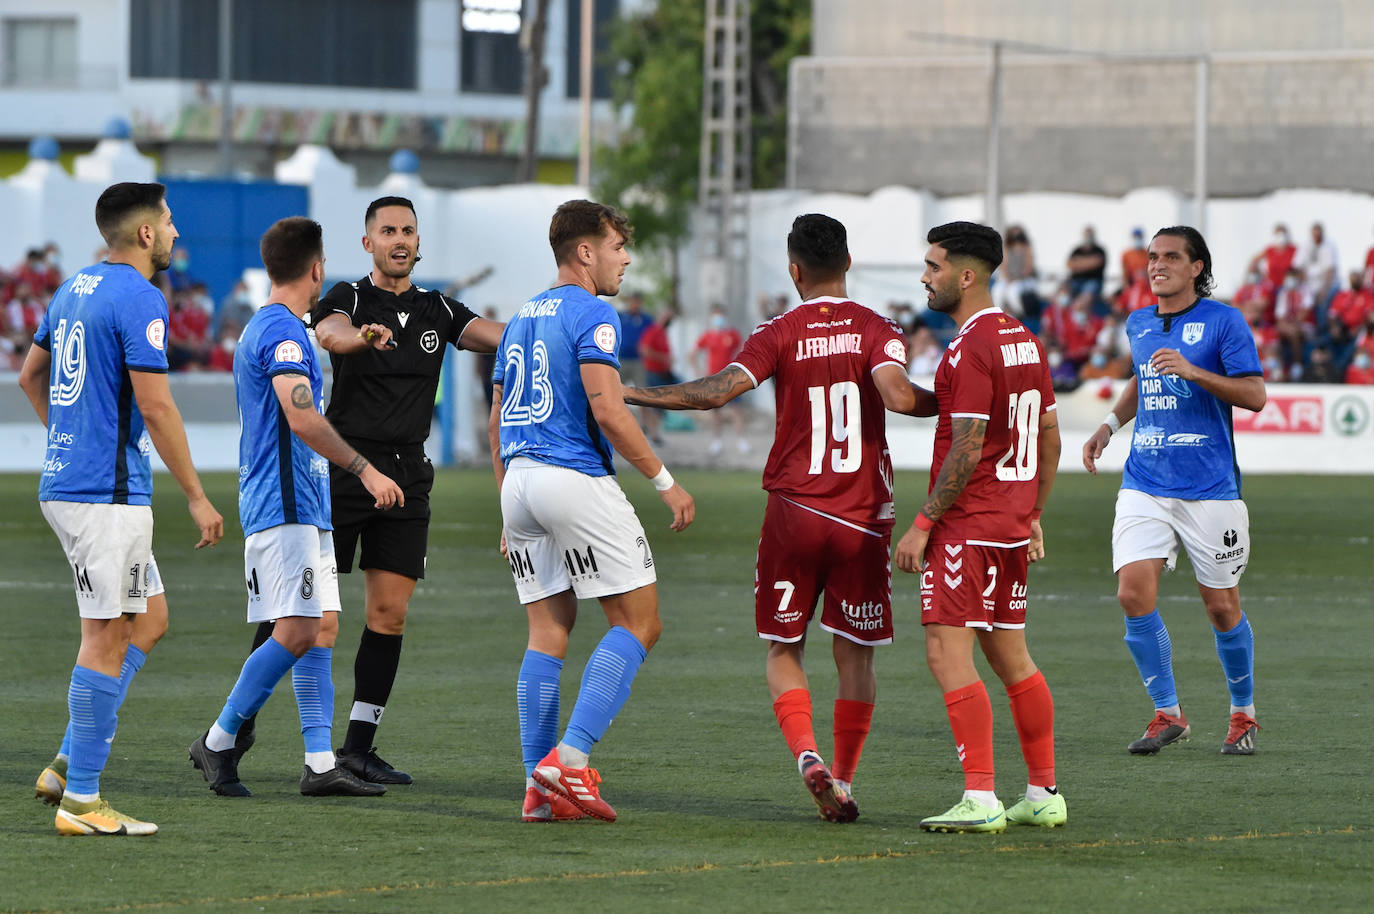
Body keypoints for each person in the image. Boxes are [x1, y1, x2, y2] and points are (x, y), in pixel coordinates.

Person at [626, 213, 935, 822]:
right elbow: (901, 398)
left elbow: (716, 392)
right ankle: (842, 779)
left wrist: (633, 393)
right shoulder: (878, 327)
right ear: (847, 264)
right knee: (856, 654)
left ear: (794, 271)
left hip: (794, 510)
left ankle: (807, 756)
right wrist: (958, 401)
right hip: (863, 516)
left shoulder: (779, 331)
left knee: (783, 645)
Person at [234, 196, 503, 785]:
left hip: (409, 475)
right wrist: (362, 338)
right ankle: (236, 725)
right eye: (388, 230)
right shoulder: (347, 300)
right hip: (346, 468)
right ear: (368, 243)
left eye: (408, 230)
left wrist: (548, 330)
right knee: (296, 607)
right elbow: (328, 334)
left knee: (389, 614)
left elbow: (496, 336)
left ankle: (357, 747)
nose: (399, 239)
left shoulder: (438, 309)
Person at [17, 181, 225, 835]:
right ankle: (81, 801)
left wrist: (66, 441)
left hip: (71, 484)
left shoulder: (72, 287)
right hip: (104, 496)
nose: (174, 233)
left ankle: (68, 763)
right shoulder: (140, 297)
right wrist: (197, 496)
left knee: (151, 619)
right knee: (105, 639)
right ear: (144, 233)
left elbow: (30, 374)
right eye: (168, 222)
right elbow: (158, 406)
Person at [491, 199, 694, 823]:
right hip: (571, 477)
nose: (624, 258)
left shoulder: (522, 314)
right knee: (639, 623)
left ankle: (535, 788)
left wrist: (506, 506)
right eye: (616, 246)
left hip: (518, 482)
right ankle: (569, 761)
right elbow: (608, 409)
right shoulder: (591, 311)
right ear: (585, 252)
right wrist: (665, 481)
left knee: (548, 632)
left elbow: (497, 417)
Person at [188, 217, 404, 798]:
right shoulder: (282, 334)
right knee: (301, 626)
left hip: (304, 501)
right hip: (282, 500)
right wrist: (365, 469)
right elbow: (301, 415)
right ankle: (217, 739)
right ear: (316, 268)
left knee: (322, 627)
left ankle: (317, 761)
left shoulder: (282, 328)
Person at [893, 221, 1064, 834]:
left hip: (968, 523)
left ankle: (981, 797)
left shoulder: (969, 349)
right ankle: (1043, 793)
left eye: (933, 266)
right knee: (1012, 657)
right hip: (1011, 524)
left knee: (946, 652)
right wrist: (1035, 514)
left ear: (966, 276)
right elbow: (1049, 438)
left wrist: (921, 525)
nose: (925, 277)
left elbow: (965, 450)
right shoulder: (1026, 341)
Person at [1082, 226, 1266, 758]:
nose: (1157, 265)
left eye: (1171, 257)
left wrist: (1194, 371)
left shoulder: (1224, 321)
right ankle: (1169, 713)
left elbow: (1254, 395)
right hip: (1145, 480)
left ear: (1197, 268)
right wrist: (1109, 427)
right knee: (1132, 595)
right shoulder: (1139, 322)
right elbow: (1143, 380)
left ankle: (1242, 714)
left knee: (1221, 607)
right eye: (1152, 257)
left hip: (1210, 488)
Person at [691, 303, 750, 456]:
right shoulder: (708, 335)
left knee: (736, 410)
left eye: (720, 315)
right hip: (713, 378)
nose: (718, 318)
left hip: (731, 378)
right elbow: (692, 355)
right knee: (715, 411)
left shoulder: (732, 334)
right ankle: (717, 441)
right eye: (716, 315)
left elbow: (744, 351)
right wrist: (700, 373)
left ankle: (741, 440)